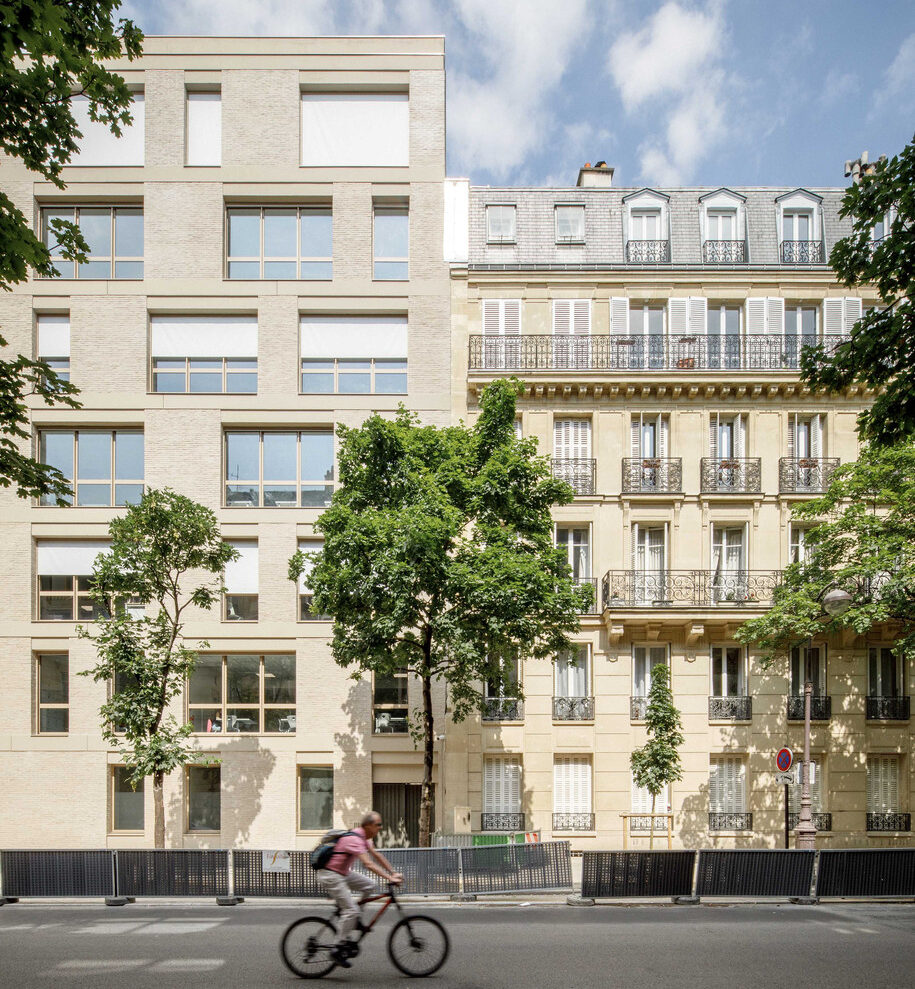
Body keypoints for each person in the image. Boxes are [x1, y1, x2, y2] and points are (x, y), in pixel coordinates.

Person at [316, 810, 403, 968]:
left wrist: (393, 872)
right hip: (330, 875)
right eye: (378, 825)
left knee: (370, 885)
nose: (380, 828)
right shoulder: (355, 839)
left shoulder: (364, 838)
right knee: (351, 910)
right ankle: (336, 948)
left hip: (341, 873)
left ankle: (355, 920)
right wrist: (390, 879)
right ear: (368, 825)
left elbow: (376, 856)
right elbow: (368, 864)